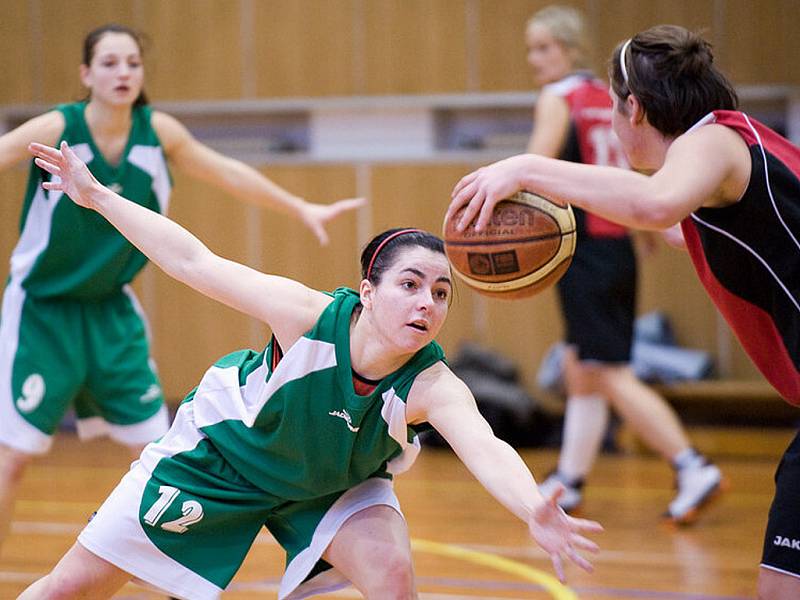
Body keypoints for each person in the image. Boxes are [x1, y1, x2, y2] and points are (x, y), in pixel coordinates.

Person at [19, 140, 603, 600]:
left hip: (329, 483)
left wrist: (533, 508)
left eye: (442, 292)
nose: (428, 302)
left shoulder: (432, 383)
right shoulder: (306, 315)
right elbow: (192, 260)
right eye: (410, 284)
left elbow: (487, 446)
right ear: (367, 293)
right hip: (221, 456)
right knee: (70, 590)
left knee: (394, 580)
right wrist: (97, 196)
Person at [449, 23, 800, 599]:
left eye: (615, 111)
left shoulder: (708, 142)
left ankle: (681, 465)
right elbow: (673, 226)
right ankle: (579, 472)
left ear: (633, 107)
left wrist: (525, 169)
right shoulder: (724, 154)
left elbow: (656, 204)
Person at [0, 23, 364, 552]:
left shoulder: (159, 133)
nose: (123, 72)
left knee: (156, 451)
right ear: (86, 74)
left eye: (132, 63)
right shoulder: (61, 124)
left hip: (112, 312)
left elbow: (228, 173)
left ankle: (170, 570)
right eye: (109, 62)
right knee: (13, 456)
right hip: (41, 311)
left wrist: (300, 206)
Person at [522, 6, 722, 524]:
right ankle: (570, 478)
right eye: (531, 49)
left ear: (568, 48)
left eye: (544, 47)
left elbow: (535, 172)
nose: (534, 59)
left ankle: (691, 464)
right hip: (620, 243)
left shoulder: (557, 98)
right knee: (581, 365)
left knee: (606, 371)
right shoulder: (603, 95)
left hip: (584, 248)